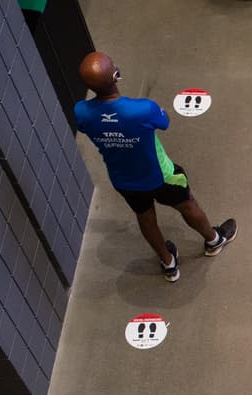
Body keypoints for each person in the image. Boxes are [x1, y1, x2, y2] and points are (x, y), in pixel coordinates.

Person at [74, 52, 237, 282]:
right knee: (188, 204)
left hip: (124, 180)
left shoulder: (81, 112)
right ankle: (214, 240)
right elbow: (164, 122)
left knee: (145, 216)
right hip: (161, 176)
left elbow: (88, 125)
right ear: (116, 75)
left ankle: (168, 263)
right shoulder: (142, 109)